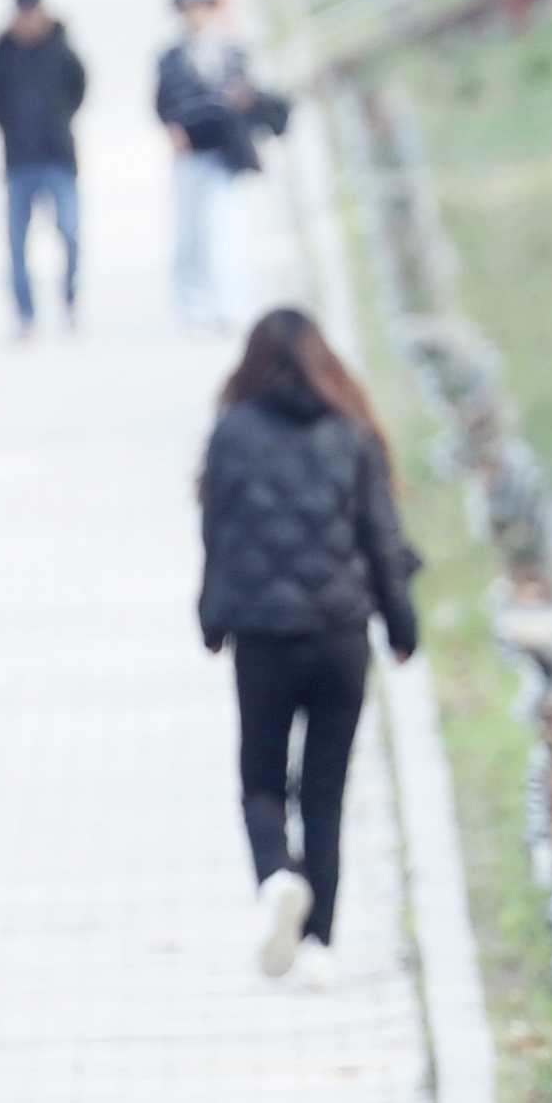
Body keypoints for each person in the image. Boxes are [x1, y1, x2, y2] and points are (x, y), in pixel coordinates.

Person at [193, 305, 421, 977]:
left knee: (261, 782)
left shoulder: (231, 433)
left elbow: (218, 540)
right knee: (324, 792)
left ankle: (276, 879)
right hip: (341, 638)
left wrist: (212, 621)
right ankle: (320, 945)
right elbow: (382, 541)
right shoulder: (352, 434)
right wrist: (402, 627)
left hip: (264, 640)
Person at [155, 0, 285, 332]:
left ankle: (229, 302)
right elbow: (162, 103)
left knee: (224, 229)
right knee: (189, 232)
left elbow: (251, 94)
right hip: (189, 154)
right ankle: (193, 304)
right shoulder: (170, 58)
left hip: (223, 152)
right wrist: (172, 128)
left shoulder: (232, 52)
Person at [0, 0, 89, 334]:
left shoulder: (59, 46)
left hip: (57, 156)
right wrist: (8, 123)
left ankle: (69, 301)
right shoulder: (1, 51)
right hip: (19, 160)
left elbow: (79, 84)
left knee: (69, 233)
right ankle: (25, 313)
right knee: (17, 242)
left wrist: (61, 117)